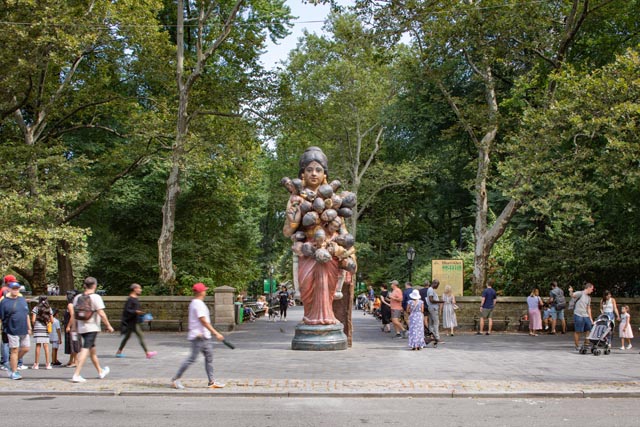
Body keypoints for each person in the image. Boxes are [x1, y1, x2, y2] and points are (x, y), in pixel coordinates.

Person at [282, 147, 356, 325]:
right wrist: (295, 210)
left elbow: (342, 230)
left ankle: (327, 318)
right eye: (309, 170)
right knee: (307, 287)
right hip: (307, 249)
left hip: (330, 250)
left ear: (324, 175)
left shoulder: (333, 199)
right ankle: (310, 318)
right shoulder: (296, 198)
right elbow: (287, 231)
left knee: (327, 287)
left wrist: (349, 253)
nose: (313, 174)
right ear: (302, 174)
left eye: (318, 170)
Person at [171, 283, 225, 390]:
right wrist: (216, 333)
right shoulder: (197, 304)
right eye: (204, 290)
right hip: (198, 337)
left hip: (204, 336)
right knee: (192, 359)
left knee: (209, 358)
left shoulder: (196, 303)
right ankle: (175, 379)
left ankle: (211, 381)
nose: (205, 291)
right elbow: (203, 320)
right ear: (200, 292)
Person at [70, 276, 114, 383]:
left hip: (81, 327)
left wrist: (74, 327)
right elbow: (101, 313)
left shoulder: (77, 297)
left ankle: (100, 371)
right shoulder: (96, 297)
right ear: (94, 285)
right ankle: (76, 374)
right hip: (92, 326)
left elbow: (74, 314)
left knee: (92, 350)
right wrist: (108, 325)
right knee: (85, 349)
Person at [116, 283, 157, 359]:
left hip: (134, 321)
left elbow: (136, 311)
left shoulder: (135, 298)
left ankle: (119, 352)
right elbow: (127, 310)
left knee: (127, 337)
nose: (140, 290)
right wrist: (136, 312)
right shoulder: (130, 299)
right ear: (135, 289)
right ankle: (147, 353)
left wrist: (142, 316)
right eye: (139, 288)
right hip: (132, 323)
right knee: (140, 336)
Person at [0, 281, 31, 380]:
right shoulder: (4, 302)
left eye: (17, 288)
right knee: (14, 350)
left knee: (26, 348)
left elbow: (26, 314)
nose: (15, 290)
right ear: (9, 289)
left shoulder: (22, 300)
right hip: (11, 328)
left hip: (23, 328)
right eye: (13, 288)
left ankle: (12, 363)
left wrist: (29, 327)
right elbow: (1, 316)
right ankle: (14, 372)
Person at [569, 283, 595, 352]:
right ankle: (577, 346)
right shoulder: (580, 293)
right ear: (588, 288)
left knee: (589, 328)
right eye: (592, 289)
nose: (592, 291)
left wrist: (591, 318)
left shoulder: (589, 298)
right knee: (578, 331)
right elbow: (572, 295)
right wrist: (571, 291)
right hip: (578, 314)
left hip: (585, 315)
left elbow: (588, 308)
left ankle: (586, 343)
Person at [31, 295, 53, 369]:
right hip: (45, 328)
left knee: (38, 346)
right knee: (46, 346)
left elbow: (33, 320)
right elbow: (52, 320)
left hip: (37, 327)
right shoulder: (49, 309)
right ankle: (48, 364)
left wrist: (35, 325)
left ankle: (36, 364)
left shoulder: (36, 308)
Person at [63, 290, 80, 367]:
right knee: (72, 344)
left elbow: (72, 316)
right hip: (75, 326)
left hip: (72, 327)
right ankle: (71, 360)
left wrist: (68, 326)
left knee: (73, 344)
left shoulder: (70, 305)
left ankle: (75, 361)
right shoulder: (74, 304)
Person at [426, 279, 444, 345]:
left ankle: (432, 336)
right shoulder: (431, 290)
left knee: (431, 323)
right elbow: (431, 300)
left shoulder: (430, 289)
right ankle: (437, 337)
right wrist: (440, 302)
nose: (437, 287)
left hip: (431, 308)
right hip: (433, 308)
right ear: (435, 284)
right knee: (436, 323)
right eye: (438, 285)